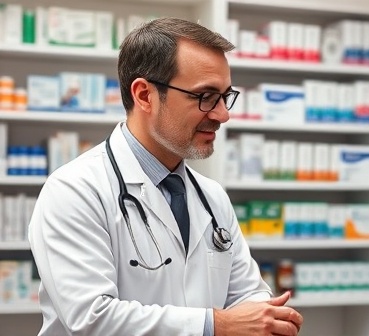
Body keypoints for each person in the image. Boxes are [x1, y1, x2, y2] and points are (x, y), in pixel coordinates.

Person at [28, 17, 303, 336]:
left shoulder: (212, 197)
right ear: (144, 95)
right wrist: (216, 325)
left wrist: (267, 316)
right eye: (205, 96)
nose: (223, 115)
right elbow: (93, 318)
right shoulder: (74, 190)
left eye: (225, 97)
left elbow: (247, 293)